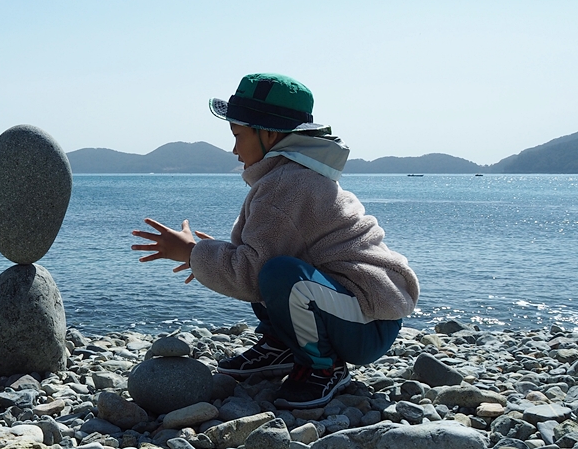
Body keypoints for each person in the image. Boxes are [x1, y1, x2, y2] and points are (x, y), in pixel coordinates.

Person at [131, 73, 419, 409]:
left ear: (268, 134)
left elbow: (252, 275)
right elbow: (261, 254)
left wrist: (193, 253)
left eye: (238, 135)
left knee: (277, 273)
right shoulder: (293, 176)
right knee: (268, 261)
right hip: (363, 312)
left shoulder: (285, 185)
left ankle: (323, 366)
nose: (234, 149)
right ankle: (281, 346)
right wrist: (214, 256)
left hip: (367, 324)